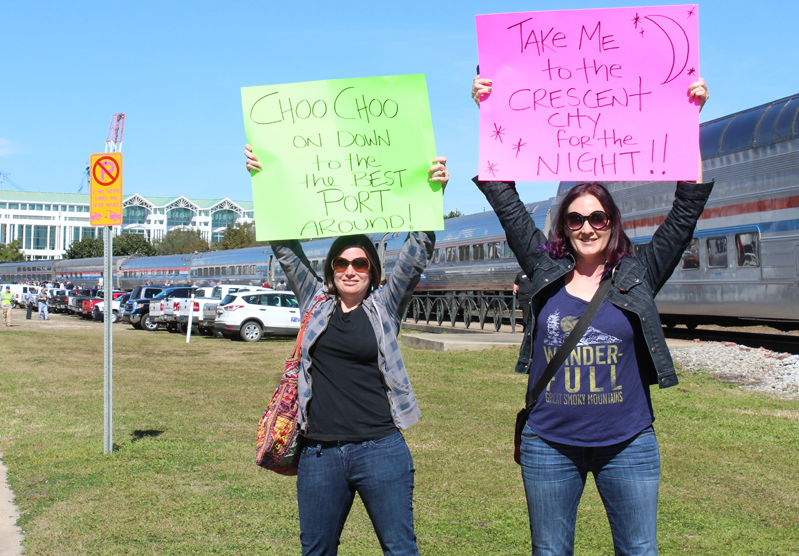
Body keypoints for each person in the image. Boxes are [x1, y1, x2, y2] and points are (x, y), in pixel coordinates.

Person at [471, 75, 712, 556]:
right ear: (564, 226)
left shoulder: (638, 273)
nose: (586, 227)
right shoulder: (543, 270)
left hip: (628, 442)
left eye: (597, 218)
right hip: (549, 443)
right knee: (551, 551)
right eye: (575, 219)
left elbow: (686, 208)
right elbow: (504, 198)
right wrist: (489, 109)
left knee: (640, 550)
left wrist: (690, 120)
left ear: (611, 223)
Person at [246, 144, 449, 556]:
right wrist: (264, 178)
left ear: (373, 270)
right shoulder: (314, 304)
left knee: (400, 549)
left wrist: (432, 193)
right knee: (316, 550)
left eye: (359, 263)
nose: (350, 270)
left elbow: (416, 251)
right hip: (319, 454)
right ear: (331, 270)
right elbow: (286, 249)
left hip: (381, 450)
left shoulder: (384, 307)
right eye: (341, 263)